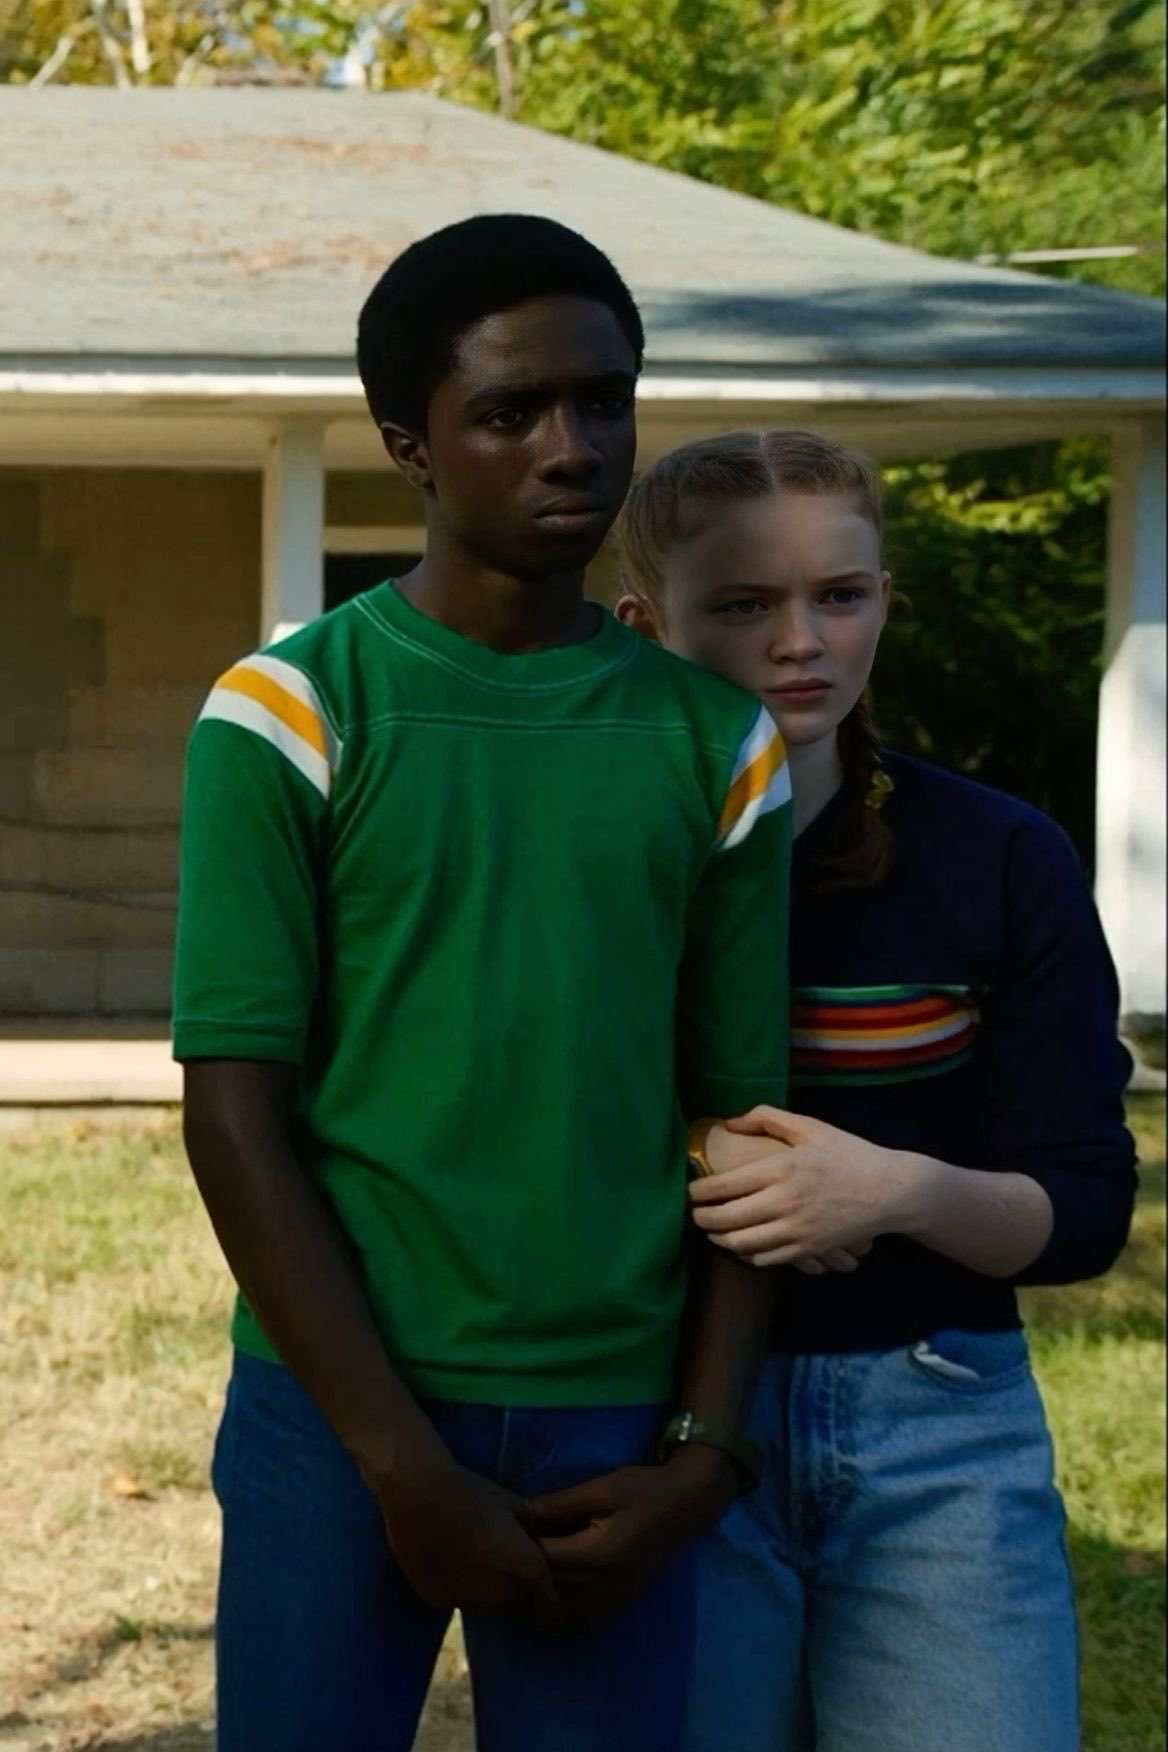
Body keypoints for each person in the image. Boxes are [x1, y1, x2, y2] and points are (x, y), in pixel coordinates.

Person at [172, 217, 794, 1752]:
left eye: (604, 400)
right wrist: (399, 1462)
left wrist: (703, 1455)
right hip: (338, 1411)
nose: (573, 447)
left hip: (618, 1423)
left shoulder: (718, 742)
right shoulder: (291, 714)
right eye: (512, 412)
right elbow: (234, 1115)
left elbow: (743, 1128)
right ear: (412, 447)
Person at [614, 428, 1137, 1752]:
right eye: (744, 605)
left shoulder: (1001, 856)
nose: (802, 641)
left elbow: (1085, 1209)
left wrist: (893, 1190)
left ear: (886, 600)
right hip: (653, 1426)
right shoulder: (591, 861)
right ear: (644, 623)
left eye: (840, 595)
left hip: (940, 1431)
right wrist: (697, 1153)